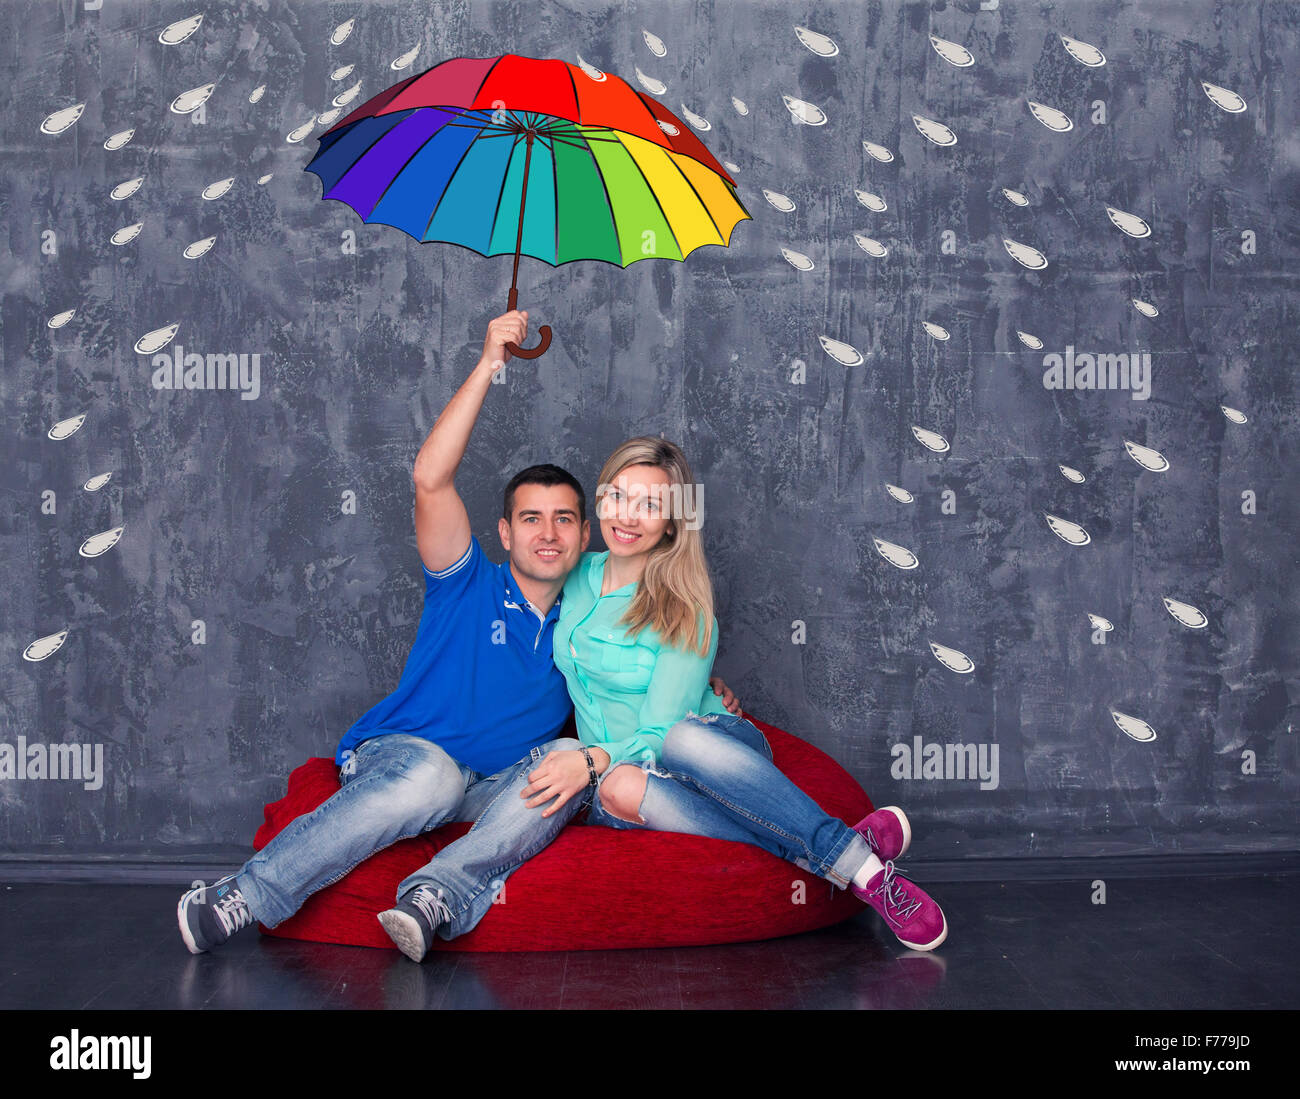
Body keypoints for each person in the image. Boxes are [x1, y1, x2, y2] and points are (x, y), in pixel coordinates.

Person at [176, 311, 739, 961]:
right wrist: (488, 363)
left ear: (586, 536)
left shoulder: (592, 615)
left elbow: (648, 677)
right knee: (435, 781)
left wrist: (705, 686)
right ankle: (241, 893)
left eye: (564, 520)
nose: (547, 534)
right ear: (504, 533)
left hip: (495, 787)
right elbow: (429, 478)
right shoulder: (465, 579)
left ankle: (438, 894)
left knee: (565, 771)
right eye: (531, 519)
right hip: (404, 758)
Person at [529, 436, 948, 951]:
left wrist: (592, 759)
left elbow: (662, 733)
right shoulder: (572, 575)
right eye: (618, 495)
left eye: (650, 504)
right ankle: (844, 849)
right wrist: (600, 769)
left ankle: (866, 874)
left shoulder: (685, 607)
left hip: (707, 747)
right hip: (628, 773)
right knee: (617, 789)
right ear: (600, 497)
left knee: (681, 739)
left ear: (671, 522)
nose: (628, 516)